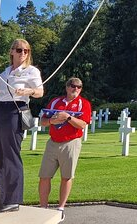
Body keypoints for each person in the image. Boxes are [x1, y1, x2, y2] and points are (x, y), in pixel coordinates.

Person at [0, 38, 44, 213]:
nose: (23, 53)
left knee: (11, 154)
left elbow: (40, 92)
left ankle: (13, 199)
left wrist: (29, 91)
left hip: (15, 110)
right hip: (1, 110)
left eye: (26, 50)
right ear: (11, 51)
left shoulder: (31, 71)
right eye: (19, 50)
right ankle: (2, 196)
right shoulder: (5, 72)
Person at [38, 77, 92, 220]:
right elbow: (43, 121)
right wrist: (51, 121)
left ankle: (61, 207)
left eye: (79, 87)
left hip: (71, 143)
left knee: (66, 177)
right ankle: (43, 208)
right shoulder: (56, 101)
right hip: (53, 142)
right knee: (44, 176)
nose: (76, 89)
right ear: (67, 87)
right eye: (73, 86)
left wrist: (68, 117)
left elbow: (83, 124)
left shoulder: (83, 104)